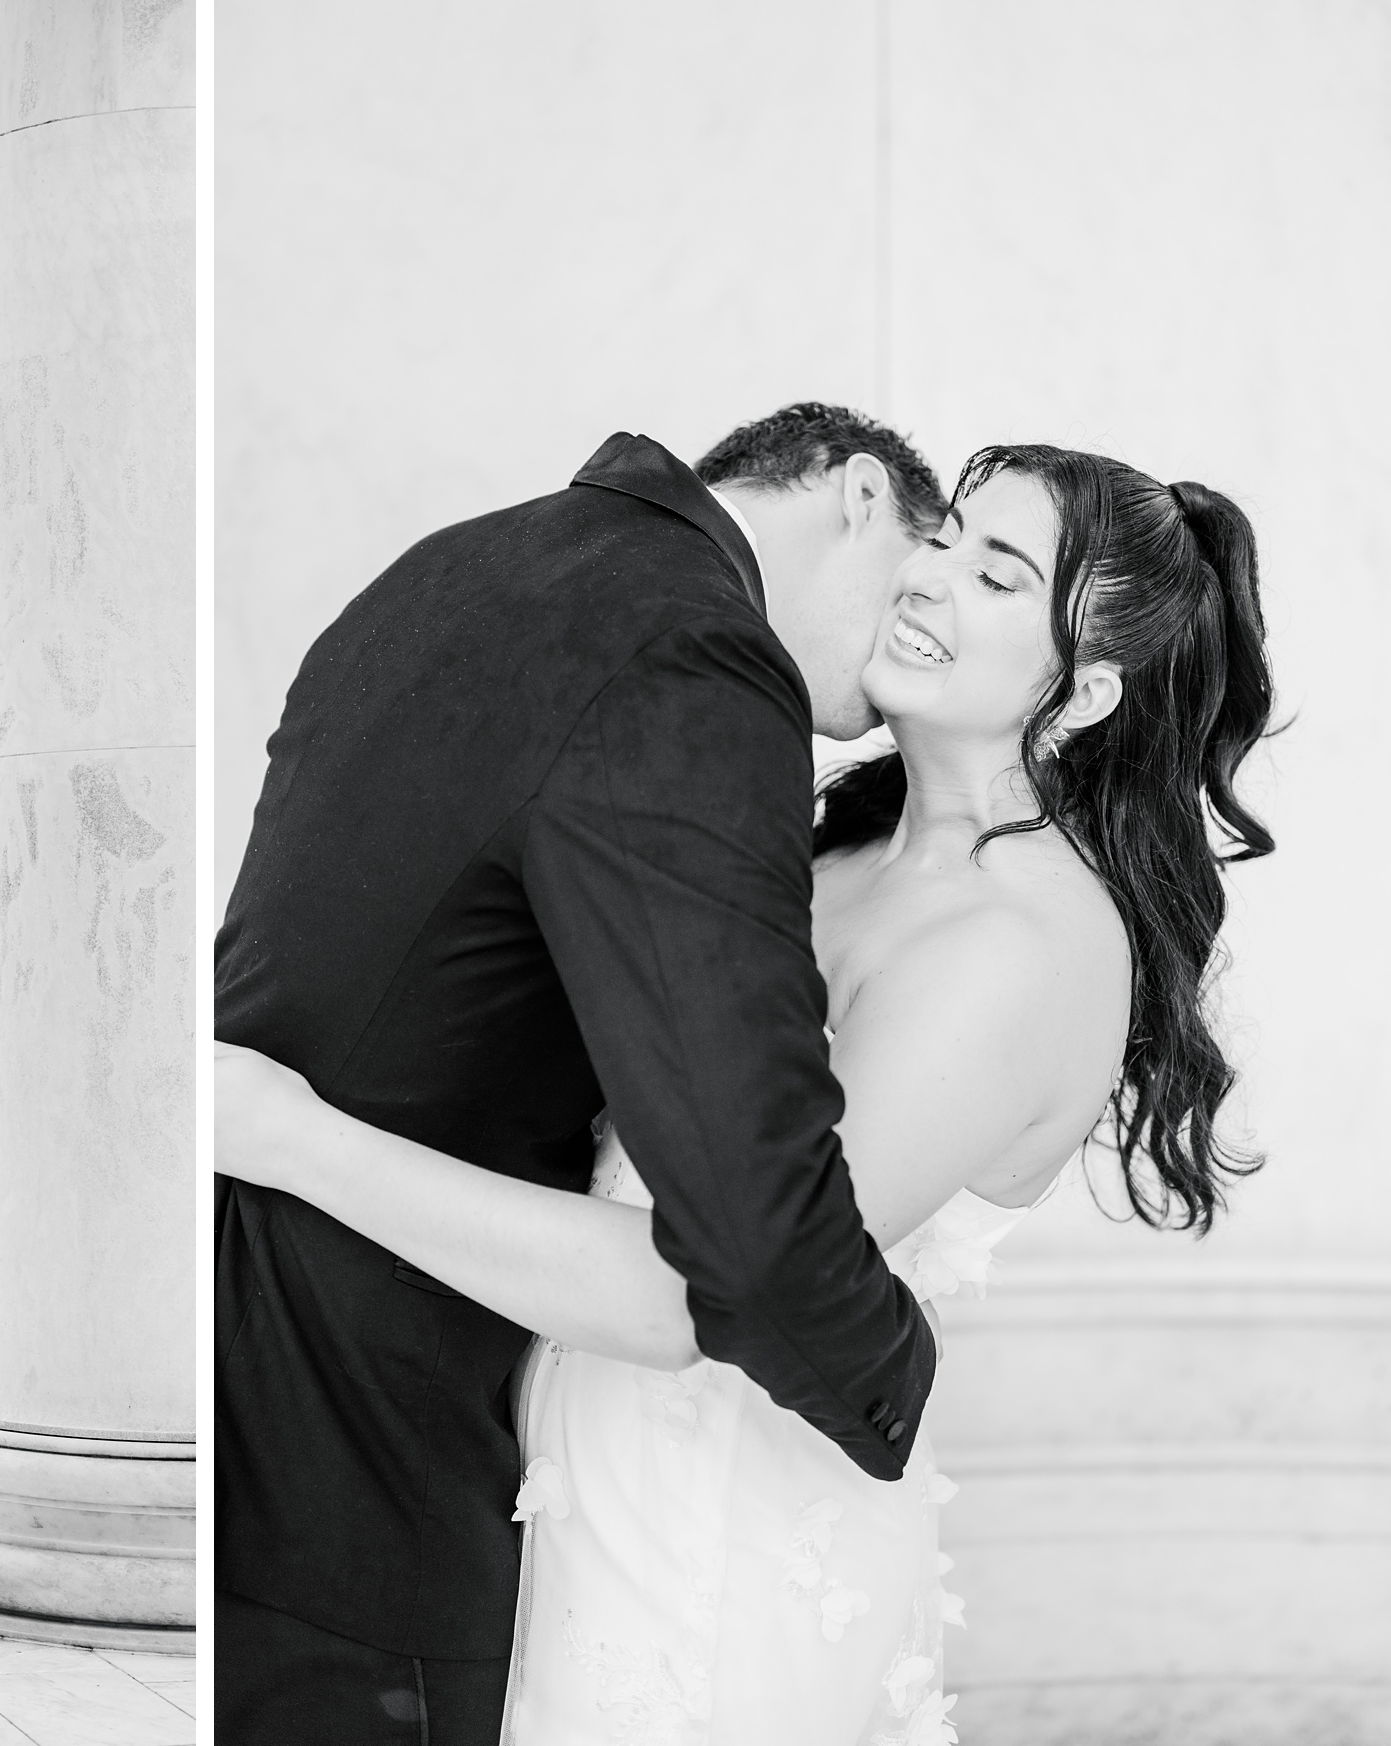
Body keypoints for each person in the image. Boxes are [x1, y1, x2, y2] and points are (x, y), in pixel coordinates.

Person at [218, 441, 1275, 1742]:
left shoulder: (1015, 951)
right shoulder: (830, 844)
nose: (932, 582)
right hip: (554, 1484)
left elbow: (700, 1285)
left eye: (998, 577)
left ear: (1090, 690)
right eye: (944, 544)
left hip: (717, 1561)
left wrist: (290, 1135)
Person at [213, 405, 949, 1742]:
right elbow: (747, 1220)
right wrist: (898, 1372)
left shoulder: (447, 567)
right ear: (857, 495)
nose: (924, 620)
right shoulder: (695, 651)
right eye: (931, 556)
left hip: (253, 1389)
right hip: (380, 1473)